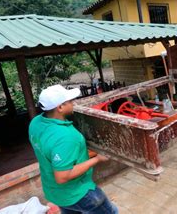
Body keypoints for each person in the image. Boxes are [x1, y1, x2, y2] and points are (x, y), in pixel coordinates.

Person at [29, 85, 118, 214]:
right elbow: (62, 176)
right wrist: (97, 159)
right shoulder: (65, 136)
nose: (73, 103)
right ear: (60, 107)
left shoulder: (36, 123)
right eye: (70, 101)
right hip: (77, 193)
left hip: (55, 192)